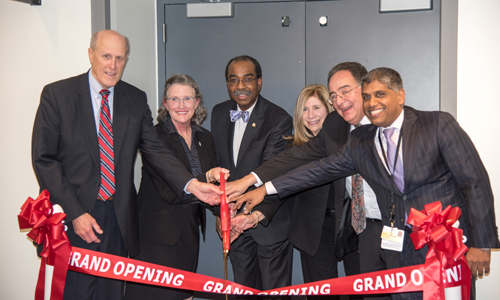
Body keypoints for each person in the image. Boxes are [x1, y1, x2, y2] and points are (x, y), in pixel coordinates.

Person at [230, 67, 500, 300]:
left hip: (443, 245)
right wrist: (263, 188)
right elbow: (318, 169)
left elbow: (474, 182)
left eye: (379, 95)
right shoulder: (362, 140)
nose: (372, 102)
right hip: (395, 244)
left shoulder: (437, 124)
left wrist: (482, 243)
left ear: (400, 96)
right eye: (368, 96)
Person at [31, 30, 222, 300]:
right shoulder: (58, 95)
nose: (113, 65)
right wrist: (75, 213)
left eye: (120, 58)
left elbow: (155, 151)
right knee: (77, 292)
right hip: (77, 216)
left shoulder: (134, 98)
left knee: (111, 292)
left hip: (120, 218)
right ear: (90, 55)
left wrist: (192, 184)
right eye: (106, 56)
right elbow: (44, 159)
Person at [228, 62, 385, 300]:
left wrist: (261, 190)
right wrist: (250, 182)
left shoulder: (386, 126)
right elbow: (295, 159)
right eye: (334, 95)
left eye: (345, 91)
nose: (339, 100)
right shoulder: (334, 127)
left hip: (372, 228)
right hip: (317, 233)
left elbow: (321, 170)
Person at [124, 74, 228, 300]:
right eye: (174, 99)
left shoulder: (205, 137)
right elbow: (169, 187)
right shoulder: (154, 137)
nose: (181, 105)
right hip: (157, 235)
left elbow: (211, 187)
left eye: (187, 99)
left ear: (197, 102)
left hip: (188, 233)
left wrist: (225, 213)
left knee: (183, 296)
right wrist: (207, 176)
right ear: (165, 104)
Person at [210, 55, 294, 299]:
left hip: (269, 224)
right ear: (227, 84)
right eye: (233, 80)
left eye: (247, 79)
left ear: (259, 82)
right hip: (234, 226)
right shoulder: (218, 113)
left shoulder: (279, 119)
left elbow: (275, 174)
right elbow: (217, 167)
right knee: (242, 291)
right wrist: (221, 212)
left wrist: (251, 215)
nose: (240, 86)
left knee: (274, 294)